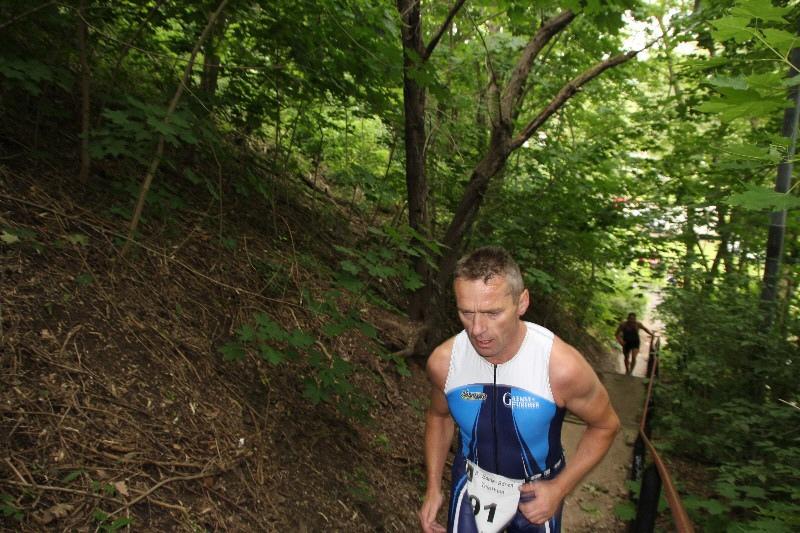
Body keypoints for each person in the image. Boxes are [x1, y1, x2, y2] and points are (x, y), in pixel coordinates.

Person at [418, 246, 621, 533]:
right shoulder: (444, 362)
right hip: (472, 483)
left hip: (537, 492)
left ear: (522, 302)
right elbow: (438, 417)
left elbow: (606, 425)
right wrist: (433, 488)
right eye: (466, 312)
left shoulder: (561, 367)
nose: (477, 329)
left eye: (492, 313)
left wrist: (559, 488)